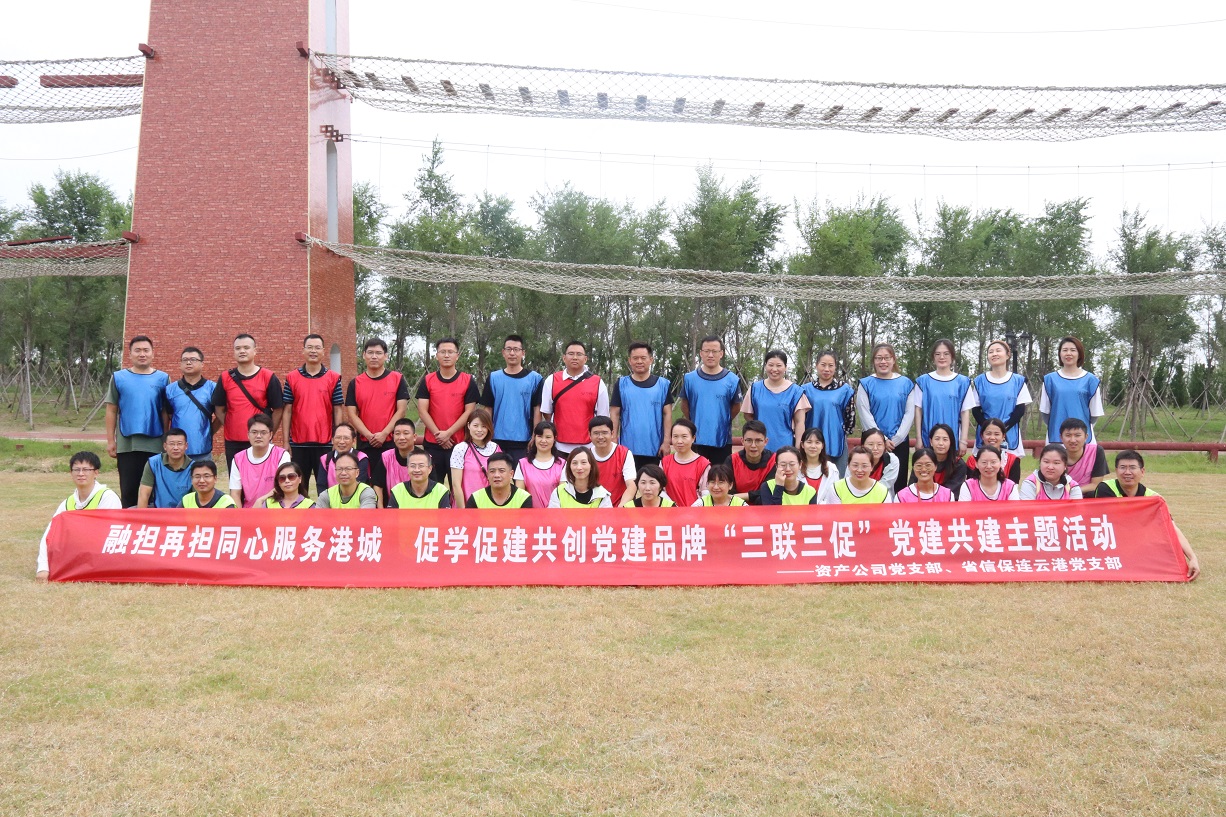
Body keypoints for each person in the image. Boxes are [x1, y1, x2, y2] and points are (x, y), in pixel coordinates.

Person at [1092, 449, 1199, 580]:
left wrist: (1192, 557)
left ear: (1142, 472)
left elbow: (1171, 528)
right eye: (1123, 467)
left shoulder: (1154, 498)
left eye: (1132, 468)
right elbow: (1114, 524)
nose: (1127, 472)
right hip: (1111, 544)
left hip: (1140, 545)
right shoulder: (1106, 488)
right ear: (1116, 470)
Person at [105, 335, 170, 507]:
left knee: (155, 491)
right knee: (129, 490)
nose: (142, 354)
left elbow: (165, 412)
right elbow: (111, 410)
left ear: (153, 353)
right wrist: (111, 441)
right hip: (128, 445)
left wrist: (166, 439)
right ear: (130, 354)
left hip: (155, 444)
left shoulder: (163, 378)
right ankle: (129, 521)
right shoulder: (119, 377)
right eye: (138, 350)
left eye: (146, 350)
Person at [36, 451, 122, 579]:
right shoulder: (67, 503)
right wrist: (43, 567)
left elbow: (111, 536)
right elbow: (50, 535)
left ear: (96, 473)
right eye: (76, 470)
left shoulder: (107, 497)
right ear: (71, 473)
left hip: (101, 559)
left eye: (86, 469)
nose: (81, 474)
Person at [347, 338, 410, 505]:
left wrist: (384, 433)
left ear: (386, 356)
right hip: (365, 444)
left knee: (390, 486)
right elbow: (352, 414)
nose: (374, 356)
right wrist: (369, 435)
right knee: (364, 487)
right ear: (363, 355)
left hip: (390, 443)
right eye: (370, 353)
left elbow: (401, 410)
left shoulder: (397, 379)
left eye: (378, 353)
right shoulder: (355, 383)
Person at [282, 333, 343, 495]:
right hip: (298, 443)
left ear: (323, 351)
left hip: (326, 443)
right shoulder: (292, 378)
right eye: (309, 347)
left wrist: (337, 438)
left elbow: (338, 409)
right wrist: (285, 441)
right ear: (303, 351)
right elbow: (287, 410)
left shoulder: (333, 378)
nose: (313, 351)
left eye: (317, 348)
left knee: (327, 488)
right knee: (298, 488)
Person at [212, 333, 284, 471]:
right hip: (233, 441)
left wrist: (268, 433)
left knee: (262, 478)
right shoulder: (225, 377)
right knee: (237, 479)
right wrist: (231, 424)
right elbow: (219, 409)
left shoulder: (268, 377)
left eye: (246, 348)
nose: (242, 351)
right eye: (238, 348)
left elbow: (278, 410)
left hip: (260, 441)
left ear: (255, 351)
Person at [416, 336, 480, 487]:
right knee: (432, 487)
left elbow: (469, 412)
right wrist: (439, 436)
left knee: (458, 487)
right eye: (442, 352)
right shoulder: (428, 380)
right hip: (432, 443)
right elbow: (422, 411)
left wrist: (448, 433)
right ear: (436, 355)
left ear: (457, 355)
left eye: (450, 352)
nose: (446, 355)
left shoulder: (467, 380)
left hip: (459, 444)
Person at [856, 343, 917, 493]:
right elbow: (864, 413)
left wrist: (897, 438)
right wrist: (881, 440)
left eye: (887, 358)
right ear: (874, 361)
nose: (883, 362)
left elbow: (909, 413)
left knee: (899, 482)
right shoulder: (865, 384)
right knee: (868, 479)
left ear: (893, 360)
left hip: (898, 442)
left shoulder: (906, 384)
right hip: (872, 442)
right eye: (879, 358)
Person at [478, 334, 543, 462]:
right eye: (508, 349)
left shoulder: (535, 379)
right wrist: (486, 435)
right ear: (503, 352)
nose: (512, 353)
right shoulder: (493, 378)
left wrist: (535, 435)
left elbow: (537, 409)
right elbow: (488, 409)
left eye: (516, 349)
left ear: (523, 353)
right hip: (496, 440)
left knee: (519, 474)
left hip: (524, 441)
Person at [678, 335, 743, 464]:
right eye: (707, 351)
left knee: (720, 475)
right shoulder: (690, 379)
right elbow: (684, 404)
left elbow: (736, 406)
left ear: (721, 354)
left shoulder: (732, 380)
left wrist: (723, 420)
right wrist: (693, 421)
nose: (710, 355)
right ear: (701, 353)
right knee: (696, 474)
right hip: (696, 439)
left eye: (714, 351)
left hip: (722, 439)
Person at [965, 339, 1032, 460]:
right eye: (991, 352)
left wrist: (1003, 429)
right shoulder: (980, 381)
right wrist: (988, 429)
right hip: (985, 435)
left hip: (1009, 433)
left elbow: (1020, 410)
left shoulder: (1018, 381)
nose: (994, 354)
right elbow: (975, 409)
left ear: (1007, 355)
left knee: (1010, 468)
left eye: (998, 351)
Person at [610, 341, 673, 469]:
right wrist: (613, 438)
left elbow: (668, 414)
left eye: (643, 358)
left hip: (655, 447)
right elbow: (614, 413)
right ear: (630, 360)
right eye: (635, 358)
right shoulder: (621, 384)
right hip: (627, 447)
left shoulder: (663, 385)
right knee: (629, 480)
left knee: (652, 480)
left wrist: (667, 441)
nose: (639, 361)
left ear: (651, 360)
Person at [540, 340, 609, 454]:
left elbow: (603, 417)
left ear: (585, 359)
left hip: (588, 447)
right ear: (564, 358)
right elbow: (547, 412)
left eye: (579, 354)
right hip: (558, 446)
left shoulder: (597, 382)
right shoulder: (552, 380)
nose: (575, 357)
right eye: (571, 354)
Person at [1040, 335, 1104, 444]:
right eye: (1065, 350)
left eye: (1073, 350)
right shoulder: (1049, 380)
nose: (1068, 353)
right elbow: (1045, 412)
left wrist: (1080, 432)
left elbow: (1094, 414)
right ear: (1060, 354)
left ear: (1079, 354)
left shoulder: (1091, 380)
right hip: (1056, 438)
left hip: (1083, 440)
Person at [742, 349, 810, 452]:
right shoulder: (755, 388)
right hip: (759, 446)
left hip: (785, 446)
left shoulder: (795, 391)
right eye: (770, 365)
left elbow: (799, 422)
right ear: (765, 366)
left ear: (785, 367)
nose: (774, 369)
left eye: (779, 365)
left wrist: (798, 448)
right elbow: (748, 415)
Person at [801, 350, 856, 476]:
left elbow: (850, 417)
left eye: (830, 365)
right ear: (816, 365)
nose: (826, 369)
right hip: (811, 441)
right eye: (823, 365)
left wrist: (840, 431)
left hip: (836, 440)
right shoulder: (805, 390)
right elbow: (800, 418)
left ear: (835, 367)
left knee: (836, 478)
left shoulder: (845, 390)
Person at [914, 339, 972, 455]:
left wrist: (963, 440)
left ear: (952, 357)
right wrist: (919, 438)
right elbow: (918, 410)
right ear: (933, 357)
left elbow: (965, 412)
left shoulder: (962, 382)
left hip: (953, 438)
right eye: (937, 354)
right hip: (928, 438)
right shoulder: (923, 381)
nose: (942, 357)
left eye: (946, 354)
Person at [163, 345, 218, 462]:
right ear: (180, 364)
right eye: (185, 360)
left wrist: (209, 432)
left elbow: (220, 415)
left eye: (193, 359)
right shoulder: (170, 390)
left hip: (202, 450)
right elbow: (168, 416)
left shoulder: (212, 388)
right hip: (177, 451)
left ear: (202, 364)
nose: (188, 363)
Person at [229, 414, 291, 508]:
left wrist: (261, 501)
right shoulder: (238, 459)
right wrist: (240, 514)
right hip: (249, 511)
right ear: (248, 435)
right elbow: (235, 493)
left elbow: (283, 486)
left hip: (276, 509)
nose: (258, 436)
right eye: (254, 432)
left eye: (263, 432)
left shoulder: (282, 455)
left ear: (270, 435)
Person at [449, 408, 501, 508]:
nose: (479, 430)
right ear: (468, 426)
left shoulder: (495, 448)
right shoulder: (460, 449)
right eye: (475, 426)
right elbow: (456, 485)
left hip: (490, 505)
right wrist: (462, 511)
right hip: (467, 505)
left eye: (484, 426)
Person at [136, 428, 194, 508]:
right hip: (160, 511)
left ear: (186, 446)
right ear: (165, 446)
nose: (176, 448)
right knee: (131, 510)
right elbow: (144, 493)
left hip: (185, 513)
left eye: (179, 444)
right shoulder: (153, 463)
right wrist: (141, 515)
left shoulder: (194, 467)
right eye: (172, 444)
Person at [514, 420, 566, 509]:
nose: (543, 440)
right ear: (534, 438)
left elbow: (562, 496)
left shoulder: (562, 464)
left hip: (554, 514)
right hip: (529, 515)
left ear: (554, 438)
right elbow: (520, 496)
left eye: (548, 437)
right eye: (540, 436)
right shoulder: (522, 464)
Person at [818, 446, 895, 504]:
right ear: (848, 466)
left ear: (872, 467)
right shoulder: (837, 489)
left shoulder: (882, 491)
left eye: (864, 466)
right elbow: (833, 516)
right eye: (855, 465)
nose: (859, 470)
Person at [660, 419, 710, 507]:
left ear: (693, 438)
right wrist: (672, 506)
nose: (679, 441)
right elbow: (659, 490)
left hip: (696, 513)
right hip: (670, 512)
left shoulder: (703, 464)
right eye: (675, 436)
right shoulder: (665, 462)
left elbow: (706, 495)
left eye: (684, 436)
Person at [589, 415, 636, 506]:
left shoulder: (624, 453)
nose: (600, 437)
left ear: (612, 433)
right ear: (589, 435)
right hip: (593, 508)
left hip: (619, 507)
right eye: (596, 433)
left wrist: (621, 506)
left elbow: (631, 485)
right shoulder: (586, 456)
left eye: (604, 432)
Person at [728, 419, 775, 505]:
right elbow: (727, 491)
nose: (753, 445)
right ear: (742, 441)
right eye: (749, 440)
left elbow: (770, 492)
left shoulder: (774, 461)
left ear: (765, 441)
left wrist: (745, 496)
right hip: (736, 507)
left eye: (758, 441)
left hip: (764, 509)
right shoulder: (732, 460)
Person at [548, 446, 613, 508]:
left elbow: (607, 516)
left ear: (591, 466)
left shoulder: (602, 495)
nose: (579, 467)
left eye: (583, 462)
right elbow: (553, 515)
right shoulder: (558, 492)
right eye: (574, 463)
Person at [387, 448, 453, 509]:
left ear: (430, 469)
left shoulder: (441, 491)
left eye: (421, 466)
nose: (417, 470)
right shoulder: (397, 491)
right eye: (413, 466)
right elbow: (391, 517)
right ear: (407, 468)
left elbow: (445, 517)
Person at [465, 452, 534, 508]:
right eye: (492, 471)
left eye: (501, 471)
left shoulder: (523, 498)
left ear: (511, 474)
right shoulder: (476, 498)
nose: (496, 475)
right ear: (487, 475)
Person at [966, 419, 1023, 484]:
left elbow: (1013, 486)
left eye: (996, 434)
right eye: (988, 434)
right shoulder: (973, 460)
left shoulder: (1012, 460)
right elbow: (971, 485)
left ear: (1003, 436)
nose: (992, 437)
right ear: (982, 436)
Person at [1061, 417, 1108, 493]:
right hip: (1062, 496)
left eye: (1077, 435)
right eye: (1068, 435)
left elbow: (1096, 484)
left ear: (1086, 437)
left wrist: (1073, 492)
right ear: (1061, 437)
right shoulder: (1055, 455)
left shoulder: (1096, 451)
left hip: (1086, 495)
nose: (1072, 440)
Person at [319, 423, 370, 489]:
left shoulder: (361, 458)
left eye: (346, 438)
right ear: (332, 440)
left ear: (354, 441)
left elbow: (360, 483)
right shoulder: (325, 459)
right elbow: (321, 486)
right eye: (338, 438)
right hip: (331, 495)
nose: (342, 442)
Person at [925, 423, 969, 497]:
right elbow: (913, 486)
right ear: (931, 442)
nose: (941, 443)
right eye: (937, 439)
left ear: (950, 442)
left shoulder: (958, 464)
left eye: (945, 439)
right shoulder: (922, 461)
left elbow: (952, 492)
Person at [381, 419, 418, 498]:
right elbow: (377, 485)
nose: (401, 438)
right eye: (397, 434)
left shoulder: (425, 459)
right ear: (393, 437)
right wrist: (380, 505)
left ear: (414, 437)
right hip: (391, 503)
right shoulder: (386, 457)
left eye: (406, 433)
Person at [799, 427, 838, 494]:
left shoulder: (832, 469)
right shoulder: (796, 468)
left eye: (817, 442)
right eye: (809, 442)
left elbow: (835, 495)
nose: (813, 446)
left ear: (822, 446)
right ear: (802, 445)